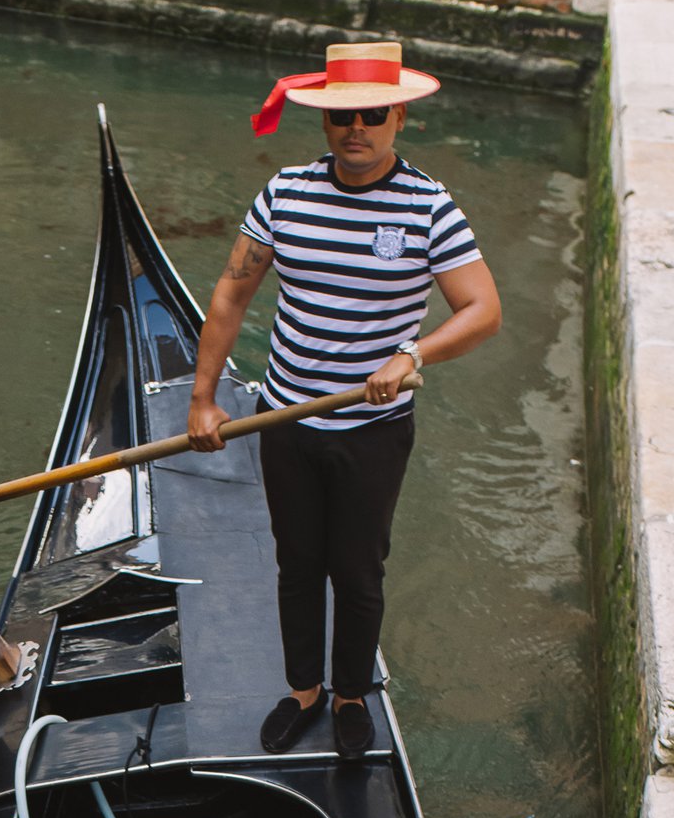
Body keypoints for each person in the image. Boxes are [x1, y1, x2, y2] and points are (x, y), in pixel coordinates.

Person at [185, 37, 502, 762]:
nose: (355, 131)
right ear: (324, 124)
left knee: (357, 571)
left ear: (400, 118)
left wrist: (412, 353)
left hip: (372, 429)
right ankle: (303, 691)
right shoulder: (286, 192)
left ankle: (352, 693)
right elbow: (234, 291)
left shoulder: (429, 206)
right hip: (284, 419)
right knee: (297, 563)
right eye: (342, 119)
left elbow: (482, 309)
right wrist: (205, 399)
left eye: (372, 115)